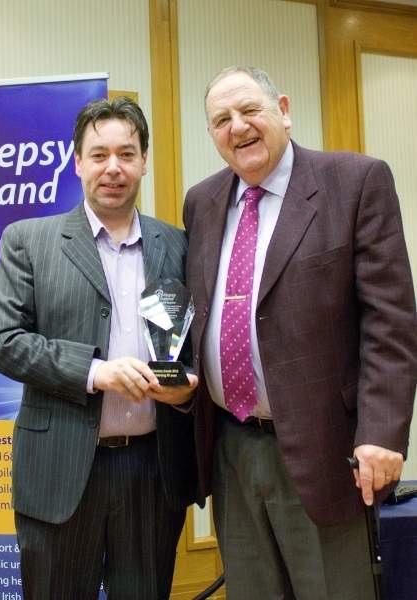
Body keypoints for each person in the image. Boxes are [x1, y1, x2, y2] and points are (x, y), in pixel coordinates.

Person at [184, 66, 417, 600]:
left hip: (326, 449)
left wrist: (381, 431)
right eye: (221, 119)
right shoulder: (202, 202)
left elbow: (391, 320)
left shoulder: (355, 182)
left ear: (282, 110)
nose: (237, 126)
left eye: (249, 110)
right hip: (231, 447)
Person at [0, 96, 199, 600]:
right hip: (59, 471)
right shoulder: (28, 241)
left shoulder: (178, 244)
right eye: (99, 155)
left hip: (152, 472)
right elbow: (4, 343)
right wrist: (95, 372)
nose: (113, 168)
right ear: (77, 161)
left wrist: (186, 391)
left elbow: (191, 348)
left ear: (144, 160)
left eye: (126, 154)